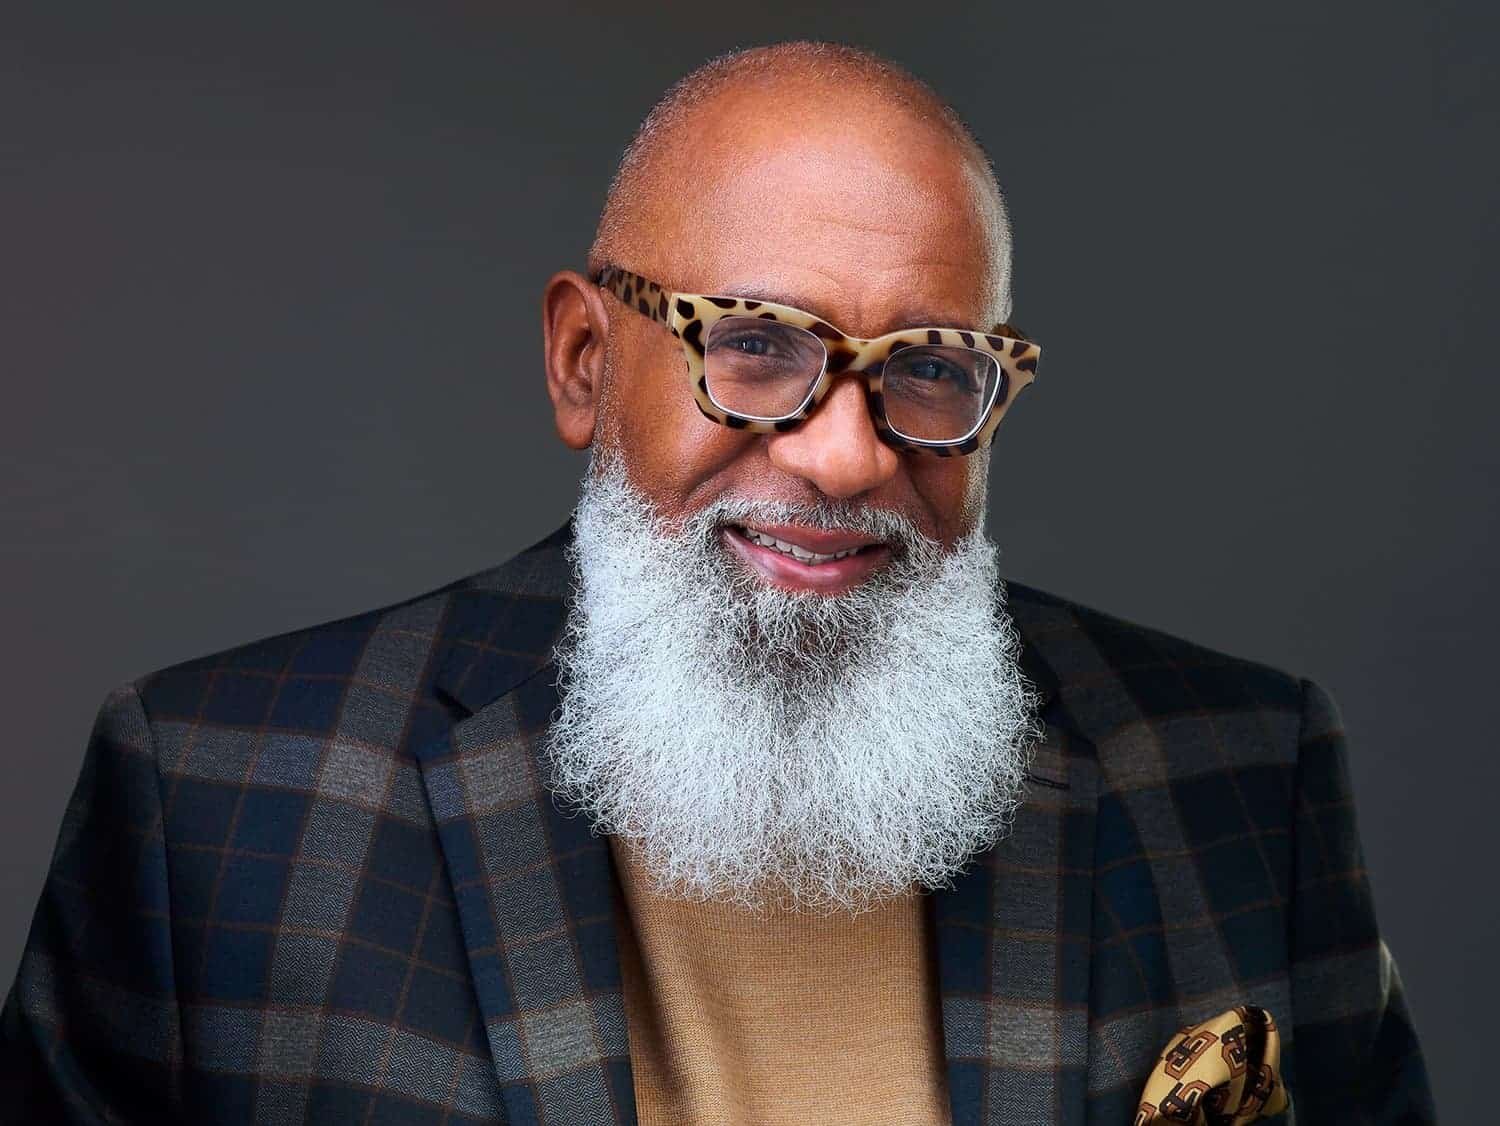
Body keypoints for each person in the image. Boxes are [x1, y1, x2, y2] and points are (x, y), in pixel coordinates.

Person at [0, 41, 1433, 1126]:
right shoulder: (212, 794)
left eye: (931, 370)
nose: (843, 452)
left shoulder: (1245, 772)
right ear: (580, 361)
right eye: (754, 344)